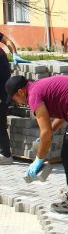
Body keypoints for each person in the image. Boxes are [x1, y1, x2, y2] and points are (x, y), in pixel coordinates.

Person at [5, 74, 68, 214]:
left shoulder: (33, 95)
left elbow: (45, 133)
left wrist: (38, 160)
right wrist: (49, 131)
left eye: (14, 98)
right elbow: (62, 115)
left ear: (21, 92)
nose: (16, 102)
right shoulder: (38, 86)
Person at [0, 32, 28, 164]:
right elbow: (8, 41)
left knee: (0, 123)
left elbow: (7, 41)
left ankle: (6, 155)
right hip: (5, 90)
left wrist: (14, 53)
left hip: (2, 91)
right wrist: (13, 53)